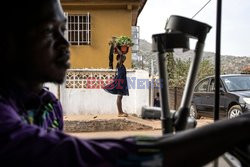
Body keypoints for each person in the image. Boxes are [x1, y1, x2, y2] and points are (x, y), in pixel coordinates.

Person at [1, 0, 250, 167]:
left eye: (64, 29)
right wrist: (239, 126)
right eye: (47, 31)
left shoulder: (49, 105)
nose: (65, 44)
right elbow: (71, 156)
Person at [103, 46, 129, 117]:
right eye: (123, 58)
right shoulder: (119, 63)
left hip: (122, 82)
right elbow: (121, 54)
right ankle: (120, 113)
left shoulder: (120, 64)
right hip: (120, 83)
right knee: (119, 97)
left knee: (120, 97)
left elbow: (122, 55)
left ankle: (121, 111)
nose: (124, 58)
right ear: (119, 59)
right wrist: (116, 47)